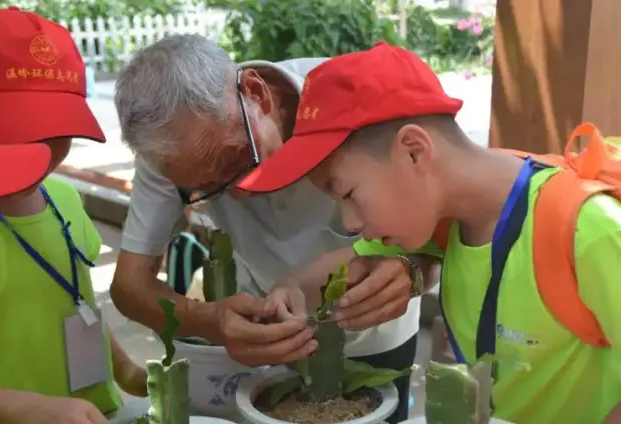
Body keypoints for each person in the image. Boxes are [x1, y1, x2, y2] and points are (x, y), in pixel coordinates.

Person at [237, 42, 621, 424]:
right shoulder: (447, 219)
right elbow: (346, 262)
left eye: (349, 194)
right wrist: (288, 286)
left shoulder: (584, 230)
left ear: (415, 151)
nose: (350, 223)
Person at [112, 35, 438, 422]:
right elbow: (129, 287)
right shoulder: (170, 154)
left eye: (235, 160)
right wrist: (210, 321)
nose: (239, 196)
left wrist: (415, 263)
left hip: (379, 330)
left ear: (256, 93)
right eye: (207, 190)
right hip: (264, 341)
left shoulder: (353, 95)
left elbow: (449, 212)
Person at [0, 8, 146, 424]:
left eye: (58, 130)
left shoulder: (63, 198)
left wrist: (126, 371)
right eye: (23, 128)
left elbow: (76, 302)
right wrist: (34, 409)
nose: (43, 150)